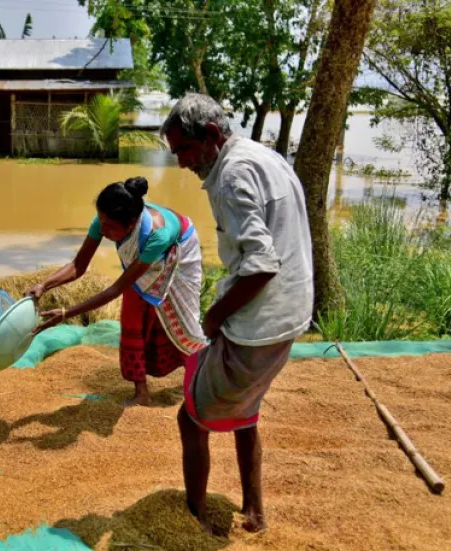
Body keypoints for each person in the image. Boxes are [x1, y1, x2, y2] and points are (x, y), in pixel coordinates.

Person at [161, 93, 313, 532]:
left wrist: (214, 315)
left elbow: (262, 265)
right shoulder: (263, 156)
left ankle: (193, 521)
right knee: (246, 411)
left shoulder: (232, 175)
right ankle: (254, 510)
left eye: (185, 150)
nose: (182, 164)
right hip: (288, 314)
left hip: (258, 322)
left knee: (190, 418)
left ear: (210, 135)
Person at [27, 176, 207, 406]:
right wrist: (44, 284)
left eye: (109, 226)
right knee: (131, 317)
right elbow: (78, 265)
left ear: (131, 223)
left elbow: (115, 289)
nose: (102, 229)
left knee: (183, 324)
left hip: (178, 253)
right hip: (143, 256)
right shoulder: (105, 220)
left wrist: (65, 313)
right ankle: (141, 393)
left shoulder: (157, 235)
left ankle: (204, 380)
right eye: (101, 221)